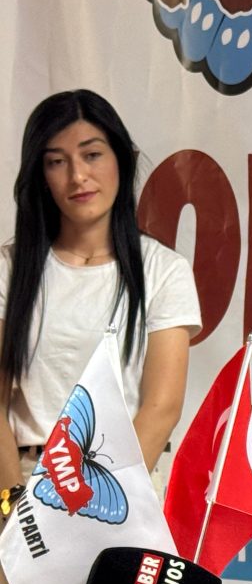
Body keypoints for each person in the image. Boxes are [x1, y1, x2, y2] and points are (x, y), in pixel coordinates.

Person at [0, 88, 201, 512]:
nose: (78, 176)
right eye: (57, 161)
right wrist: (13, 500)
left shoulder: (164, 270)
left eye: (92, 155)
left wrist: (93, 506)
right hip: (20, 490)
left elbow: (162, 407)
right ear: (41, 174)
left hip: (119, 494)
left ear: (121, 159)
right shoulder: (10, 268)